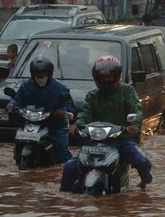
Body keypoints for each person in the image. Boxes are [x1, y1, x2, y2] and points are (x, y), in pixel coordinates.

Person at [59, 55, 152, 192]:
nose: (106, 81)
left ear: (118, 76)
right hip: (94, 141)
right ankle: (63, 198)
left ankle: (144, 183)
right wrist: (78, 126)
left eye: (109, 78)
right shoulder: (92, 95)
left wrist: (134, 126)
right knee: (69, 168)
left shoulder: (127, 91)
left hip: (121, 140)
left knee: (143, 162)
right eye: (102, 78)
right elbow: (84, 113)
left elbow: (136, 110)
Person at [5, 57, 75, 163]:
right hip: (30, 122)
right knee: (17, 141)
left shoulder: (60, 88)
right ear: (33, 75)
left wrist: (63, 111)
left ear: (49, 74)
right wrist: (11, 105)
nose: (40, 78)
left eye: (43, 76)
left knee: (63, 155)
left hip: (54, 125)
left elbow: (69, 105)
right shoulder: (26, 86)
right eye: (37, 76)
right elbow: (17, 99)